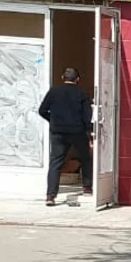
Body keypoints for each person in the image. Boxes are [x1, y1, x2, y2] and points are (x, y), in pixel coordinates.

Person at [38, 67, 93, 206]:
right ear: (78, 80)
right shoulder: (82, 93)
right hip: (77, 132)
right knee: (85, 158)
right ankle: (87, 187)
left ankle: (50, 196)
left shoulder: (54, 91)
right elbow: (87, 116)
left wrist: (54, 120)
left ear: (63, 77)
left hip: (58, 132)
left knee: (56, 162)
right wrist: (90, 134)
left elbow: (42, 110)